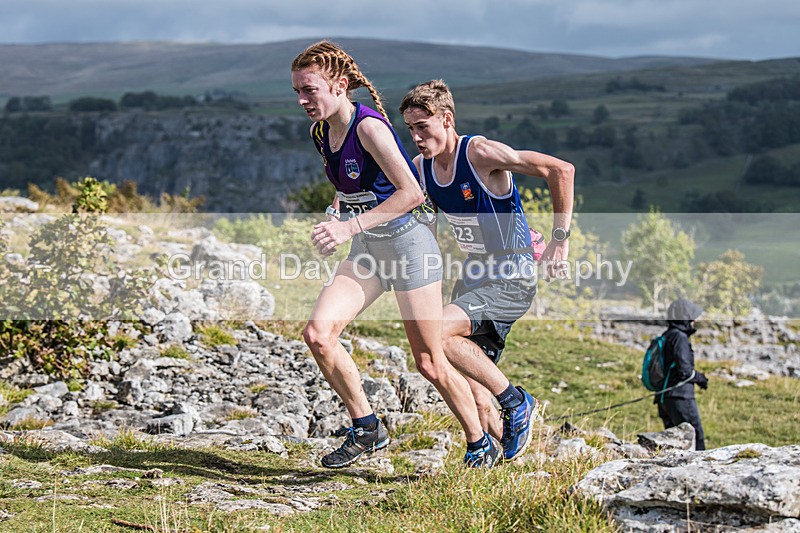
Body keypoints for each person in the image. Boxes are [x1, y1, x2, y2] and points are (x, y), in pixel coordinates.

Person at [291, 42, 499, 468]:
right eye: (297, 91)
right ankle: (367, 426)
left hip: (409, 246)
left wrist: (348, 225)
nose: (302, 100)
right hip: (369, 248)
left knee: (429, 362)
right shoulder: (320, 133)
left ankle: (480, 442)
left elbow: (412, 192)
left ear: (340, 86)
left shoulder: (370, 128)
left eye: (310, 90)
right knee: (318, 334)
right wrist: (337, 210)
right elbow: (351, 184)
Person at [400, 80, 575, 460]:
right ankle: (502, 457)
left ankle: (516, 401)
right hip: (472, 279)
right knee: (471, 385)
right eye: (410, 128)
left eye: (423, 126)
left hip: (512, 276)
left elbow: (560, 169)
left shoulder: (479, 153)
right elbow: (418, 219)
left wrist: (560, 239)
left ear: (447, 119)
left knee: (435, 333)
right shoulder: (422, 169)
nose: (416, 136)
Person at [656, 298, 709, 450]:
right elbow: (684, 371)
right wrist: (701, 379)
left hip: (664, 398)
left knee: (674, 442)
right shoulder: (680, 337)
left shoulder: (668, 335)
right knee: (694, 437)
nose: (695, 320)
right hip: (680, 397)